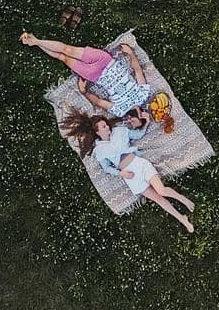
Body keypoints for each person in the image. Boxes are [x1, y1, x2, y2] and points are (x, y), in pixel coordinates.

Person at [62, 111, 195, 233]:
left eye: (106, 125)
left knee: (161, 190)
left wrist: (147, 122)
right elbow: (107, 168)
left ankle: (183, 199)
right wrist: (121, 173)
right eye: (103, 127)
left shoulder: (120, 131)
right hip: (129, 176)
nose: (107, 127)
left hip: (139, 164)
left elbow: (139, 134)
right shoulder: (99, 150)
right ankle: (182, 219)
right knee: (159, 200)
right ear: (97, 132)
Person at [21, 32, 153, 120]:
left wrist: (84, 91)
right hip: (106, 61)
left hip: (94, 75)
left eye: (132, 122)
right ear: (143, 114)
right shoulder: (143, 94)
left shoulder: (121, 111)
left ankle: (34, 42)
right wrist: (131, 53)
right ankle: (36, 40)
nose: (131, 120)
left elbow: (99, 102)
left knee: (64, 58)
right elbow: (137, 71)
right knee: (68, 49)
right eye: (138, 118)